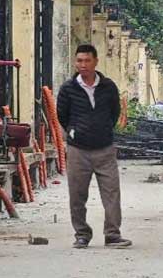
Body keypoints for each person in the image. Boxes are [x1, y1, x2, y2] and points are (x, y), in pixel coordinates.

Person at [56, 44, 131, 249]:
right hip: (78, 150)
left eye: (87, 60)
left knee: (112, 193)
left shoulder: (108, 87)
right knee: (77, 195)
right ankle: (81, 234)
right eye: (79, 61)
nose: (83, 65)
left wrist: (104, 129)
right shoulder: (68, 89)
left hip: (105, 149)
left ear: (95, 61)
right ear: (75, 62)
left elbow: (114, 113)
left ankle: (113, 235)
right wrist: (74, 131)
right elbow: (62, 115)